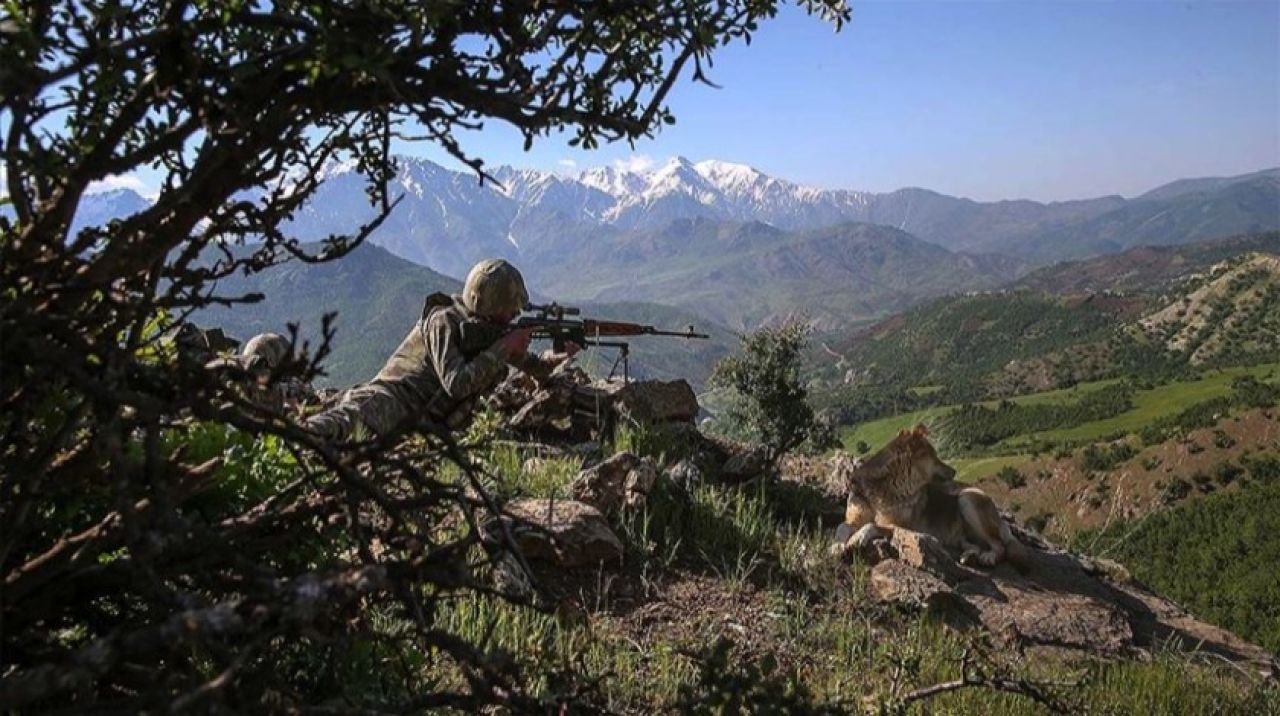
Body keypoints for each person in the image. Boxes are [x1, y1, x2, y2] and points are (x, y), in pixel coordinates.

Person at [305, 259, 578, 442]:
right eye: (509, 308)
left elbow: (533, 366)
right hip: (388, 401)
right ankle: (287, 438)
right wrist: (503, 349)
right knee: (333, 427)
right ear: (491, 306)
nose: (514, 314)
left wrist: (560, 356)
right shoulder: (444, 320)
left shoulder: (488, 331)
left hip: (419, 424)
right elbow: (456, 383)